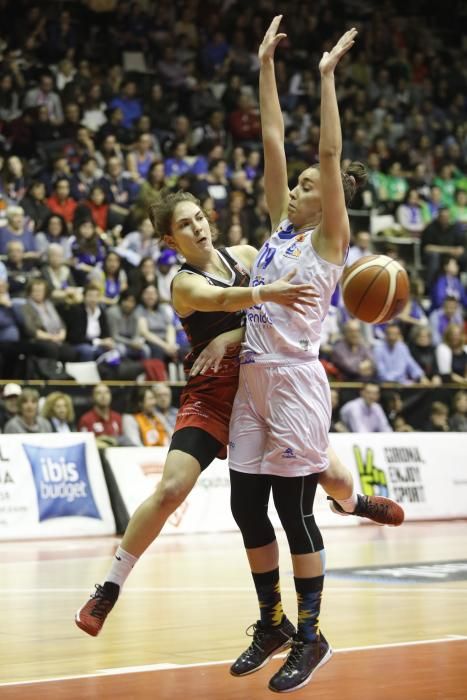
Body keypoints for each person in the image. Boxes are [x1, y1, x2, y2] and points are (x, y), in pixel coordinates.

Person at [75, 189, 318, 637]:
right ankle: (108, 588)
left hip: (264, 388)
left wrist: (228, 339)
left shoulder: (245, 254)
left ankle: (351, 503)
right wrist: (260, 301)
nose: (198, 227)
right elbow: (227, 302)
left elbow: (278, 324)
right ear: (171, 241)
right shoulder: (183, 283)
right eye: (185, 225)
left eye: (200, 217)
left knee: (332, 474)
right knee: (170, 489)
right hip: (213, 395)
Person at [225, 20, 378, 693]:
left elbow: (325, 145)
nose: (295, 188)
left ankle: (311, 638)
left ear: (329, 199)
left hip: (294, 386)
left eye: (310, 184)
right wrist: (263, 64)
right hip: (252, 384)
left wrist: (323, 77)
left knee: (295, 514)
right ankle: (272, 624)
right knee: (245, 509)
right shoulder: (280, 233)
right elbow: (269, 141)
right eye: (297, 184)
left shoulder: (327, 241)